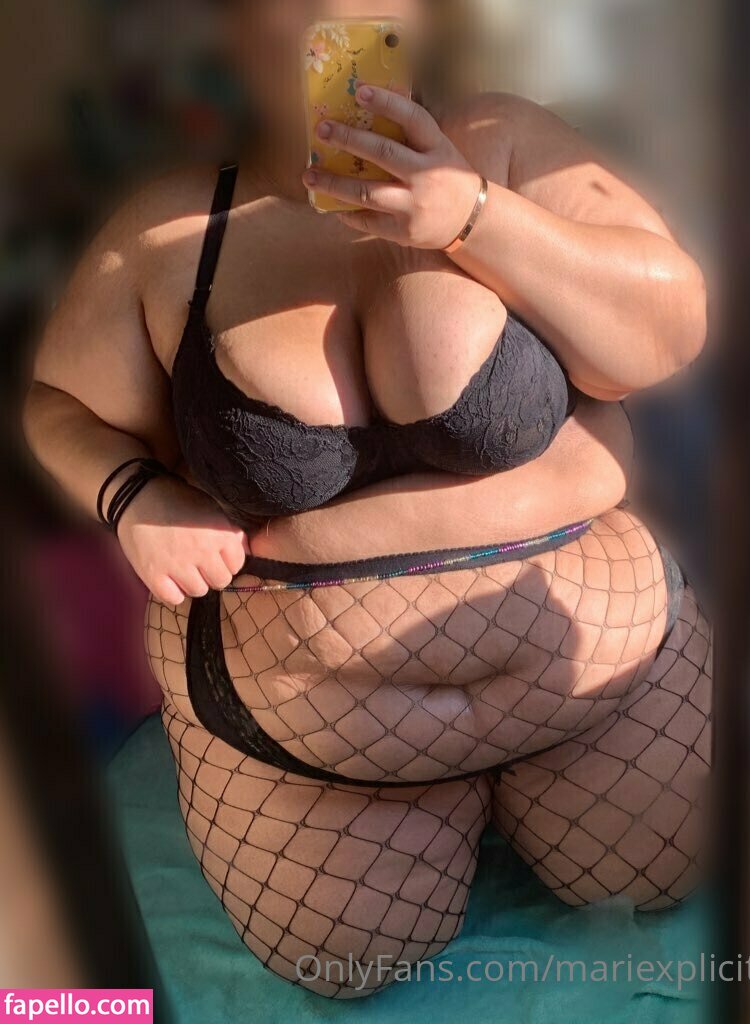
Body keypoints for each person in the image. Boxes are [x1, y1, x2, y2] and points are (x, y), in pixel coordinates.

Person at [23, 0, 711, 998]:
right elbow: (58, 404)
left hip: (591, 672)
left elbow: (669, 326)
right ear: (237, 32)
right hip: (318, 725)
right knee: (348, 957)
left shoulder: (505, 143)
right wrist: (131, 494)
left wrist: (476, 218)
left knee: (660, 870)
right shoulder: (176, 228)